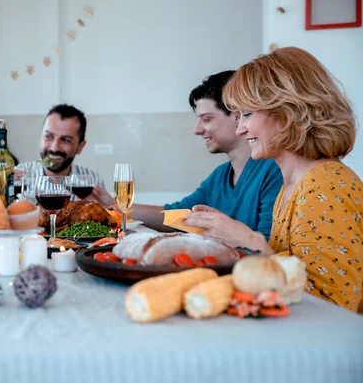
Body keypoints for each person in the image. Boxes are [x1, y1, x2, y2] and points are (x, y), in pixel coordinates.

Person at [183, 47, 363, 312]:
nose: (240, 128)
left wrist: (249, 241)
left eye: (247, 114)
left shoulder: (326, 185)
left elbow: (331, 307)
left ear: (287, 112)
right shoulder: (294, 183)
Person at [90, 71, 283, 239]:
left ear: (237, 116)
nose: (197, 129)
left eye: (206, 119)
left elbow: (267, 245)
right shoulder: (220, 176)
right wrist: (113, 204)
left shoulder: (273, 170)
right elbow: (176, 215)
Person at [15, 104, 106, 199]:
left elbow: (109, 212)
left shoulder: (93, 181)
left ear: (80, 147)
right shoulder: (18, 176)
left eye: (66, 140)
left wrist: (112, 207)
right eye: (48, 136)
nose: (55, 148)